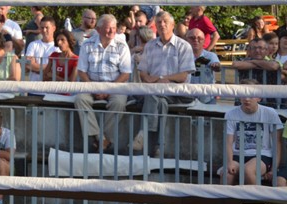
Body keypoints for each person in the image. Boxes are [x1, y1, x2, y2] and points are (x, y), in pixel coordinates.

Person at [221, 78, 282, 204]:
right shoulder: (231, 113)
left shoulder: (270, 113)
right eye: (243, 94)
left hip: (262, 155)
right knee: (226, 174)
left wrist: (274, 167)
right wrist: (228, 161)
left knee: (249, 170)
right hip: (238, 154)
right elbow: (228, 142)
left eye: (251, 95)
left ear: (259, 97)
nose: (247, 98)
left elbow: (277, 144)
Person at [133, 11, 194, 156]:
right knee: (160, 101)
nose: (162, 24)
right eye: (159, 22)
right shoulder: (150, 45)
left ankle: (143, 132)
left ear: (173, 25)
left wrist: (161, 78)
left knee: (154, 94)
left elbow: (183, 76)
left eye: (165, 21)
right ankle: (159, 146)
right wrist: (150, 79)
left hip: (176, 91)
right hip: (156, 92)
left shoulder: (183, 46)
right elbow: (143, 72)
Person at [74, 14, 132, 153]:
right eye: (108, 28)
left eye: (113, 28)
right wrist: (94, 89)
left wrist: (108, 90)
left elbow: (125, 73)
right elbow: (81, 71)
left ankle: (101, 139)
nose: (112, 31)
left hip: (115, 86)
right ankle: (101, 138)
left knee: (119, 102)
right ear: (99, 30)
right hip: (92, 85)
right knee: (80, 99)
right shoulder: (87, 44)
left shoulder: (122, 46)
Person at [185, 27, 221, 105]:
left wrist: (216, 66)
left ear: (204, 40)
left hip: (207, 98)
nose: (196, 40)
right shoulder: (182, 56)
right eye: (192, 38)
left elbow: (218, 67)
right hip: (186, 98)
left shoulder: (211, 56)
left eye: (199, 38)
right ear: (186, 40)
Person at [22, 16, 56, 82]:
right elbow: (28, 65)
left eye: (47, 27)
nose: (44, 30)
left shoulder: (58, 47)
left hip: (52, 88)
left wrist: (35, 67)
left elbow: (58, 68)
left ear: (54, 28)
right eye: (42, 27)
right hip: (34, 87)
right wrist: (49, 67)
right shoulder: (33, 44)